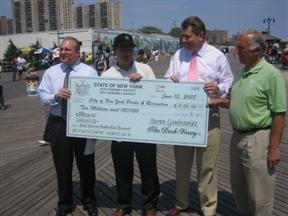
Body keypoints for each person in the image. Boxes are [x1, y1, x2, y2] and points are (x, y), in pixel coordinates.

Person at [164, 16, 233, 216]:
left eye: (187, 37)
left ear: (201, 35)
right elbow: (167, 79)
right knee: (182, 164)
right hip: (182, 117)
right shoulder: (178, 55)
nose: (183, 41)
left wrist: (219, 87)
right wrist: (172, 80)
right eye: (182, 37)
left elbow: (228, 81)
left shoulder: (217, 56)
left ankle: (208, 207)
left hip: (208, 115)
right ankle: (181, 202)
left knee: (207, 166)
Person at [37, 36, 98, 216]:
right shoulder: (51, 72)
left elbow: (98, 97)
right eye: (61, 49)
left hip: (83, 123)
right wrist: (55, 97)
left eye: (67, 49)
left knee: (86, 165)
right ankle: (65, 203)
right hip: (59, 124)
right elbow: (41, 95)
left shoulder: (89, 72)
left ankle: (89, 201)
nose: (62, 52)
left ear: (77, 53)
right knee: (62, 167)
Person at [229, 30, 286, 216]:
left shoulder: (271, 74)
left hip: (258, 139)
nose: (236, 51)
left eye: (240, 47)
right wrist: (217, 100)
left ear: (257, 50)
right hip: (236, 137)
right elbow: (234, 101)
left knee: (260, 194)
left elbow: (279, 113)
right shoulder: (241, 72)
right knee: (239, 188)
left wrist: (274, 148)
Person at [101, 33, 160, 216]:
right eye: (122, 49)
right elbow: (103, 107)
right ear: (115, 51)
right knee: (122, 170)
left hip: (144, 130)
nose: (126, 52)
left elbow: (157, 96)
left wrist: (142, 84)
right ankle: (124, 204)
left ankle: (149, 205)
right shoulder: (106, 76)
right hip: (120, 133)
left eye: (129, 49)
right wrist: (111, 131)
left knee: (148, 169)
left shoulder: (145, 69)